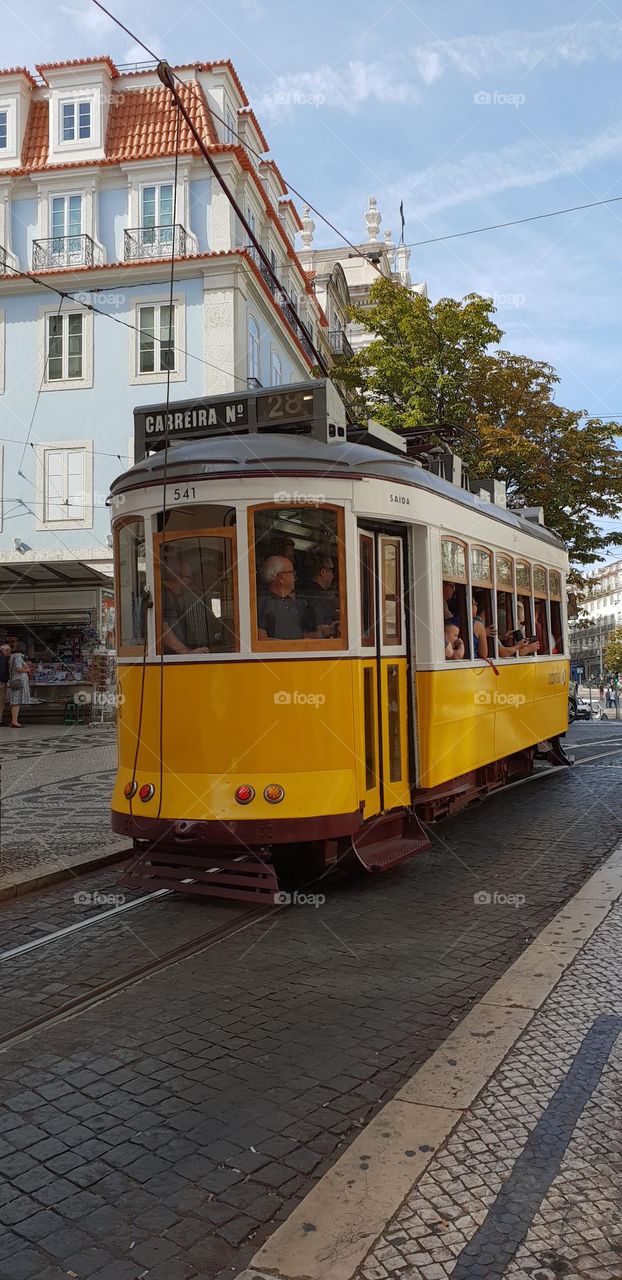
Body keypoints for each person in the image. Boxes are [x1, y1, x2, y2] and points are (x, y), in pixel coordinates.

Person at [161, 553, 222, 654]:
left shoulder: (173, 597)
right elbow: (162, 629)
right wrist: (187, 653)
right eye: (189, 577)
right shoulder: (162, 595)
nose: (191, 582)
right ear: (178, 576)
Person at [257, 556, 316, 640]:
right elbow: (261, 639)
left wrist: (325, 631)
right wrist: (293, 646)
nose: (295, 578)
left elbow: (304, 635)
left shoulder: (297, 603)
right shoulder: (262, 603)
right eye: (292, 573)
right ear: (281, 577)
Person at [299, 552, 340, 636]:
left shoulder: (300, 592)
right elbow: (324, 627)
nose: (333, 575)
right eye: (332, 570)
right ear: (323, 572)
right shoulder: (320, 597)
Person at [8, 642, 31, 727]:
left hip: (15, 680)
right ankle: (14, 721)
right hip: (18, 681)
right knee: (16, 701)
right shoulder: (18, 656)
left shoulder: (13, 656)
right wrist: (27, 670)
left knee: (15, 701)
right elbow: (18, 669)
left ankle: (14, 720)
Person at [0, 642, 10, 725]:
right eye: (9, 651)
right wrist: (5, 680)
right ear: (5, 651)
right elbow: (3, 671)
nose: (9, 653)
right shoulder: (3, 658)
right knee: (1, 702)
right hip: (1, 682)